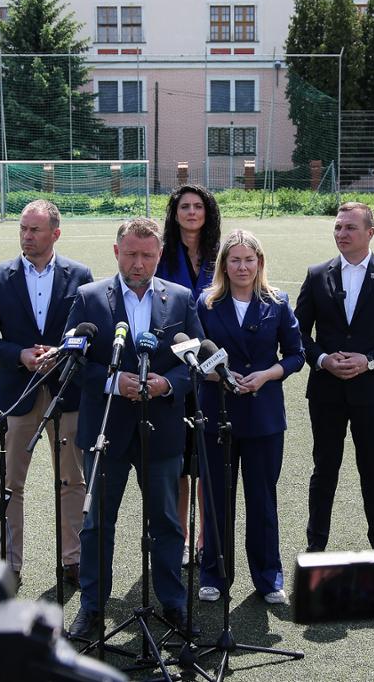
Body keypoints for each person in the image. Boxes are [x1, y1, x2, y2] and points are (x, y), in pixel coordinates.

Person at [63, 217, 204, 639]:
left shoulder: (180, 299)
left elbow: (194, 364)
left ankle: (174, 604)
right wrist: (112, 381)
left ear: (159, 255)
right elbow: (73, 361)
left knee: (165, 522)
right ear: (116, 252)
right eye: (130, 254)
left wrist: (167, 385)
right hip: (106, 430)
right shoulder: (89, 298)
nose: (138, 263)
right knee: (97, 524)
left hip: (161, 429)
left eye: (146, 255)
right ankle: (92, 607)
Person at [0, 199, 93, 591]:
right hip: (17, 393)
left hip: (67, 392)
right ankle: (9, 565)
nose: (26, 235)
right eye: (23, 228)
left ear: (55, 233)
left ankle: (72, 561)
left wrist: (61, 353)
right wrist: (19, 354)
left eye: (34, 230)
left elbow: (87, 330)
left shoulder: (81, 275)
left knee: (72, 481)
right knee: (8, 484)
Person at [295, 202, 374, 552]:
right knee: (324, 470)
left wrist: (370, 361)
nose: (341, 234)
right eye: (337, 227)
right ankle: (315, 549)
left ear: (370, 233)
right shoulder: (317, 274)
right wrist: (320, 359)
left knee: (372, 471)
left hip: (372, 392)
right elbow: (297, 332)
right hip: (326, 392)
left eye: (350, 227)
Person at [192, 230, 303, 607]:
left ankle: (269, 577)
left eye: (249, 260)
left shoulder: (278, 302)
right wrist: (218, 375)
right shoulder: (205, 303)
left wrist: (268, 374)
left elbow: (295, 356)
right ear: (224, 265)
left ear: (260, 263)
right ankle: (214, 576)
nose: (242, 267)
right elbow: (190, 356)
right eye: (234, 260)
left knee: (262, 499)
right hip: (216, 415)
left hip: (264, 417)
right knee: (218, 500)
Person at [156, 184, 220, 557]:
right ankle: (179, 538)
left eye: (198, 206)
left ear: (207, 212)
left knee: (208, 460)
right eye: (185, 206)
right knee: (178, 463)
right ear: (175, 212)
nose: (192, 212)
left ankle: (204, 539)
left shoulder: (219, 254)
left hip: (211, 367)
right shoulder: (163, 254)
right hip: (174, 367)